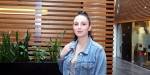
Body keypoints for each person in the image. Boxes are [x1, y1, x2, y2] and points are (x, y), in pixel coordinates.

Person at [58, 11, 107, 75]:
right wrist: (61, 56)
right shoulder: (69, 48)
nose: (79, 27)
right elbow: (62, 70)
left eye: (83, 24)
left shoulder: (98, 50)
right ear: (73, 27)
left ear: (89, 27)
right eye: (76, 24)